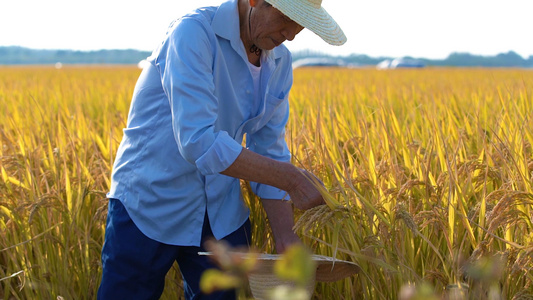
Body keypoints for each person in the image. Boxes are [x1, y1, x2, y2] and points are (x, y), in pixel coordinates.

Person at [97, 0, 346, 299]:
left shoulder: (279, 62)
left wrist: (285, 237)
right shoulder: (193, 33)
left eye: (301, 25)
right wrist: (291, 179)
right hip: (150, 202)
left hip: (220, 211)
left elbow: (270, 150)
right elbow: (198, 141)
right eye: (286, 17)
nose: (291, 34)